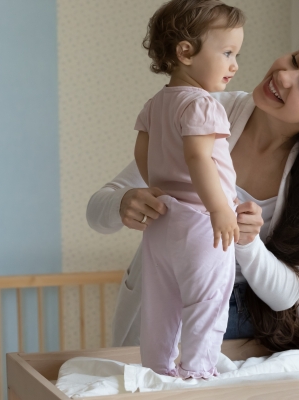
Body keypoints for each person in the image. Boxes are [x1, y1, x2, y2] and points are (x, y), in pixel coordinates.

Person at [87, 31, 299, 354]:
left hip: (258, 331)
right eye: (296, 59)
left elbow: (289, 292)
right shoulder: (203, 109)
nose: (284, 76)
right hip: (173, 307)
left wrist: (248, 242)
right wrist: (122, 204)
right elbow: (97, 210)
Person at [129, 0, 245, 379]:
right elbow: (200, 159)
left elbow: (142, 152)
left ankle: (158, 370)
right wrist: (219, 208)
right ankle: (197, 372)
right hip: (200, 222)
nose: (234, 64)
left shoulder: (156, 104)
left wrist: (160, 189)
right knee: (208, 302)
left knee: (159, 304)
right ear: (186, 52)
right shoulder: (203, 104)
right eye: (227, 52)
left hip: (163, 222)